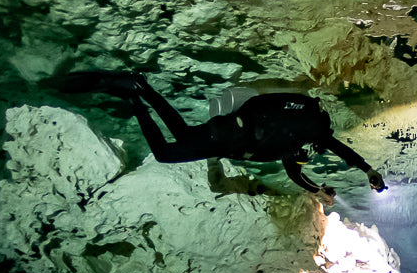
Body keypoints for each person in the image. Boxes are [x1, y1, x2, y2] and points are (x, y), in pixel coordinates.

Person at [56, 71, 386, 205]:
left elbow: (293, 172)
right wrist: (368, 170)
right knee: (169, 151)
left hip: (233, 138)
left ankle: (137, 92)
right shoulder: (315, 132)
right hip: (234, 132)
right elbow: (342, 150)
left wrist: (317, 190)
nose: (305, 156)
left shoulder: (295, 147)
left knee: (176, 141)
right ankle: (136, 91)